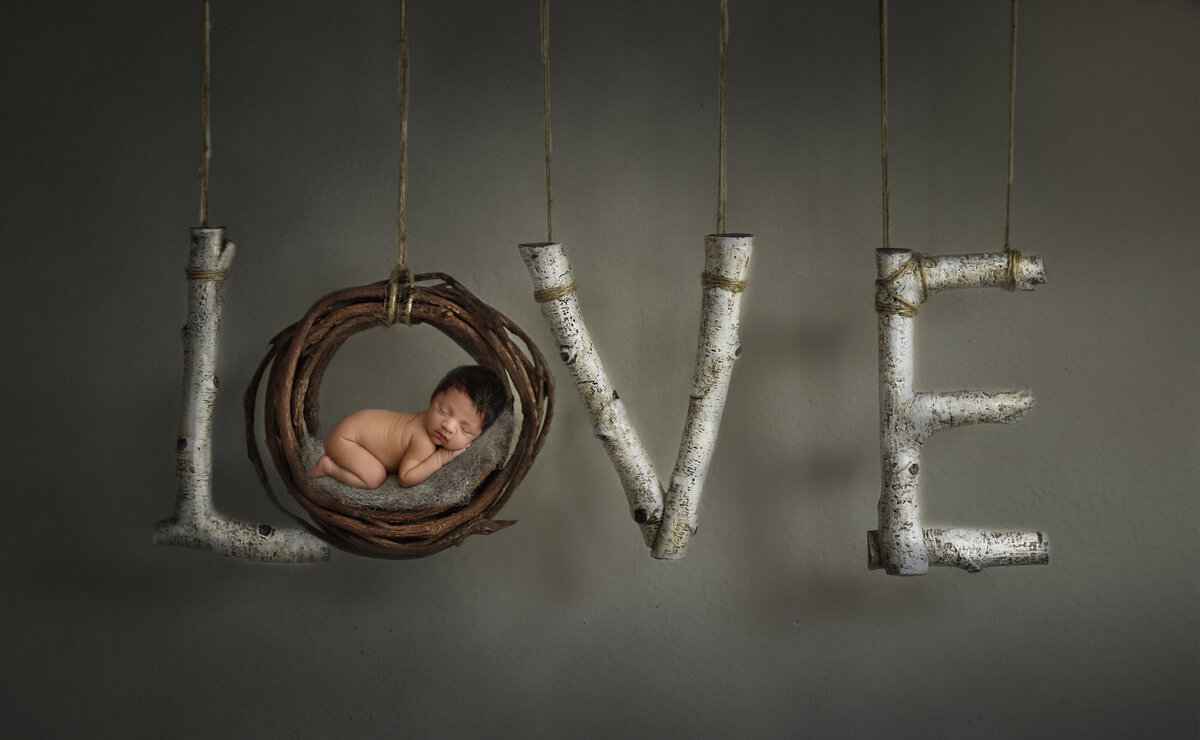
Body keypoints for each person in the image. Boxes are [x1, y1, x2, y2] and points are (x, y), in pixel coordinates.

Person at [306, 365, 507, 489]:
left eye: (465, 430)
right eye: (443, 411)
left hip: (355, 427)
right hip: (346, 439)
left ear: (477, 436)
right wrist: (440, 458)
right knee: (374, 477)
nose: (448, 426)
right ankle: (328, 466)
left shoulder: (432, 424)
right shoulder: (423, 441)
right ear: (432, 399)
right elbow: (406, 477)